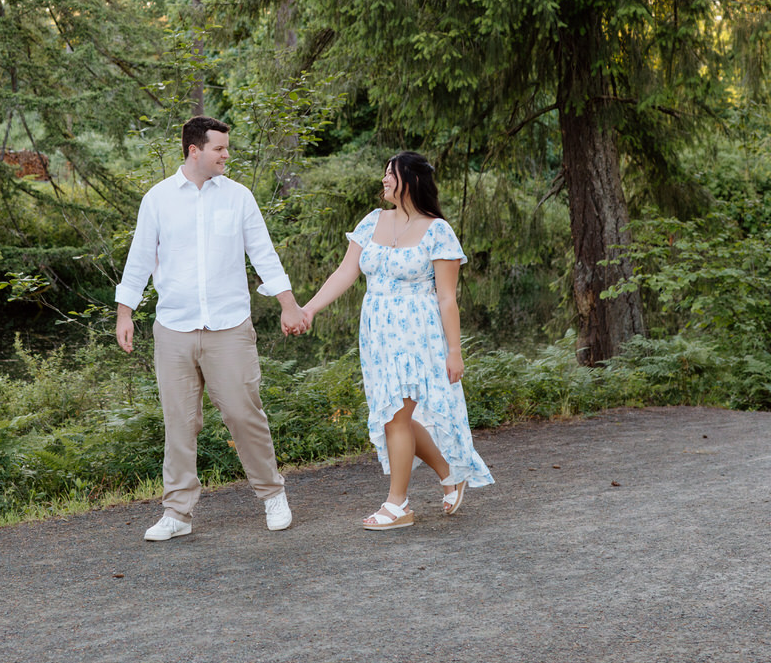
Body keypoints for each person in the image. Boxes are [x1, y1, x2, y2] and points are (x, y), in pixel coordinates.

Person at [115, 116, 308, 541]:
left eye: (226, 148)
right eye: (220, 148)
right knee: (180, 423)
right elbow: (140, 259)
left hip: (229, 327)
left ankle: (272, 494)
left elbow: (263, 253)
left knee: (243, 414)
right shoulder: (158, 199)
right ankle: (177, 513)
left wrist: (288, 304)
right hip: (174, 329)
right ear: (194, 151)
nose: (226, 155)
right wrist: (124, 312)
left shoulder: (238, 197)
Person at [295, 151, 493, 528]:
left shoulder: (438, 231)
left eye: (391, 174)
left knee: (397, 415)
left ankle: (397, 505)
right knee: (392, 411)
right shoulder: (372, 221)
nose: (384, 180)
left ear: (412, 180)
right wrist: (309, 309)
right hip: (377, 333)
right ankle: (451, 473)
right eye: (384, 173)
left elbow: (447, 298)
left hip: (419, 333)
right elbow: (345, 272)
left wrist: (455, 351)